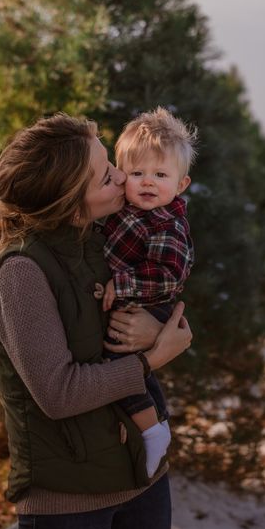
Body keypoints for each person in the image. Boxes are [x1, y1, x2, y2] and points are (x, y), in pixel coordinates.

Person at [0, 113, 192, 529]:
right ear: (70, 200)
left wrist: (156, 331)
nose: (123, 178)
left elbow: (163, 298)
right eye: (106, 175)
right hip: (71, 501)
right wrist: (152, 357)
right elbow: (60, 394)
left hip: (141, 476)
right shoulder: (21, 272)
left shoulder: (102, 242)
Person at [95, 108, 196, 479]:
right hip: (128, 304)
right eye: (137, 174)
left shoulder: (166, 222)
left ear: (181, 184)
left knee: (119, 367)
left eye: (160, 175)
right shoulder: (125, 211)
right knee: (130, 371)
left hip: (148, 306)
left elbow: (170, 275)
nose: (148, 182)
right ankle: (152, 425)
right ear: (122, 177)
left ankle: (152, 430)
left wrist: (120, 284)